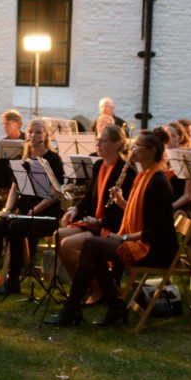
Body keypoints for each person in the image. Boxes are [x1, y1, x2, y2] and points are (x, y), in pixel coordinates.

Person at [47, 127, 177, 326]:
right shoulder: (146, 176)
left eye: (138, 146)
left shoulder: (158, 181)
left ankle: (76, 309)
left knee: (91, 245)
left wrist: (123, 238)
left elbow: (157, 231)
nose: (133, 149)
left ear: (151, 150)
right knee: (93, 248)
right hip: (143, 241)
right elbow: (138, 212)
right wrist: (121, 201)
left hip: (156, 250)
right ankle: (110, 305)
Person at [0, 118, 65, 295]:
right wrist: (7, 210)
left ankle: (13, 281)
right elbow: (14, 188)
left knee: (16, 227)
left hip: (46, 216)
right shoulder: (24, 158)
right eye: (31, 132)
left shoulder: (53, 159)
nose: (33, 135)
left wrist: (35, 210)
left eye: (38, 132)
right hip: (24, 213)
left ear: (46, 135)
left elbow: (55, 193)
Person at [56, 124, 133, 294]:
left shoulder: (125, 171)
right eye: (97, 140)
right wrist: (74, 210)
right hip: (94, 222)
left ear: (116, 144)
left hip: (110, 225)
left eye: (102, 141)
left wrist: (99, 222)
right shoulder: (99, 165)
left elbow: (123, 211)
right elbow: (90, 197)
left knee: (68, 245)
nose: (97, 145)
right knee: (58, 236)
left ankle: (100, 288)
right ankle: (84, 286)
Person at [163, 121, 191, 216]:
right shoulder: (159, 159)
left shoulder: (187, 159)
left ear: (180, 138)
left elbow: (188, 195)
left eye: (172, 136)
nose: (168, 139)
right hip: (163, 208)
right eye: (166, 136)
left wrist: (170, 208)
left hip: (180, 210)